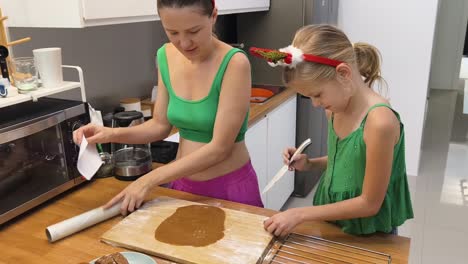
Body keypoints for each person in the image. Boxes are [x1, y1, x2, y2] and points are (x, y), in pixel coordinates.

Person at [73, 0, 263, 214]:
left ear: (213, 16)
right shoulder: (165, 56)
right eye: (172, 32)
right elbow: (159, 125)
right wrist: (109, 134)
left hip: (230, 188)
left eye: (194, 31)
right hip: (183, 186)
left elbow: (220, 148)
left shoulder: (234, 63)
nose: (184, 43)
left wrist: (149, 179)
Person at [250, 24, 413, 236]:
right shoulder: (334, 110)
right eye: (310, 97)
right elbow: (348, 160)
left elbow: (370, 203)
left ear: (343, 74)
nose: (315, 104)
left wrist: (299, 214)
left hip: (368, 229)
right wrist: (310, 164)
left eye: (317, 94)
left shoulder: (379, 122)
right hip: (335, 218)